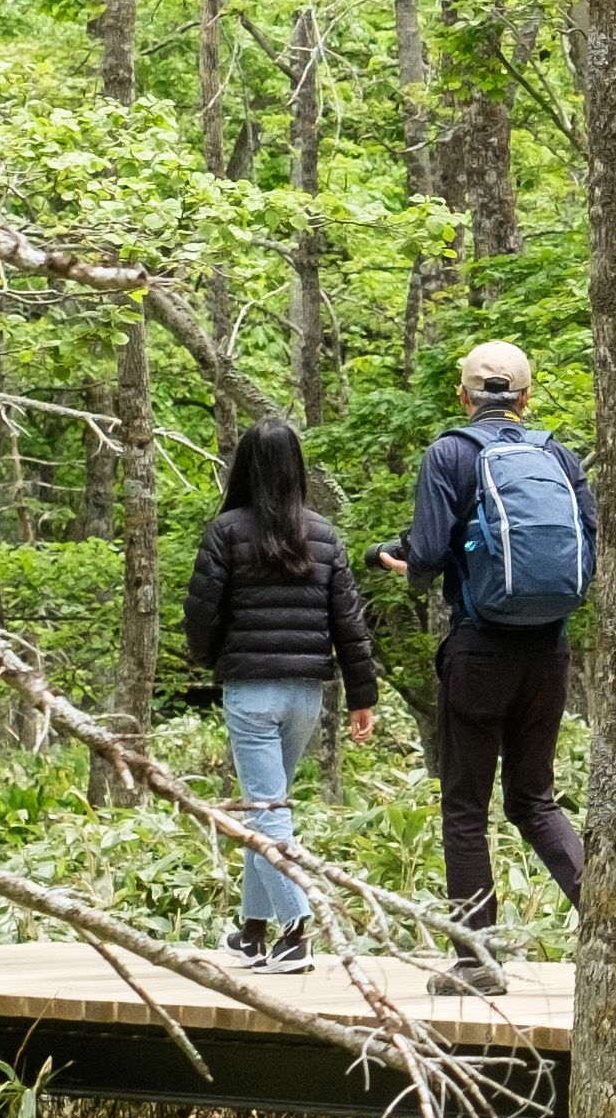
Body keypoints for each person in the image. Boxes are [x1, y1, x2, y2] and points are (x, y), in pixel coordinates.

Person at [375, 337, 592, 995]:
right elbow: (592, 545)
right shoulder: (559, 454)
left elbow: (431, 557)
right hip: (549, 649)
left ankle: (477, 962)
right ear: (526, 397)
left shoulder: (450, 453)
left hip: (479, 649)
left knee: (466, 807)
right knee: (534, 799)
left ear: (463, 395)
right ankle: (613, 929)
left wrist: (402, 561)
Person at [183, 418, 381, 971]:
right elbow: (349, 623)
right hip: (304, 696)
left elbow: (202, 613)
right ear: (296, 468)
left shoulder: (226, 531)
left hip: (252, 692)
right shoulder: (323, 534)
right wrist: (362, 695)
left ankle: (296, 932)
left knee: (266, 813)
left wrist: (209, 657)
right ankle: (251, 932)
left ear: (245, 466)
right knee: (267, 809)